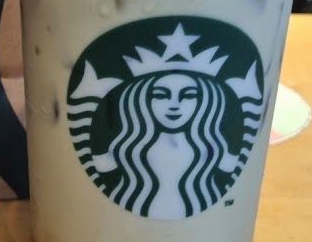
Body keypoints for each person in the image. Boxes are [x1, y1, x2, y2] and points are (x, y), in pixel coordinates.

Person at [92, 71, 239, 220]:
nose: (174, 105)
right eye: (161, 95)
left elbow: (231, 168)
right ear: (142, 100)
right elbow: (101, 165)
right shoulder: (126, 147)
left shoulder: (213, 148)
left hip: (212, 229)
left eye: (188, 95)